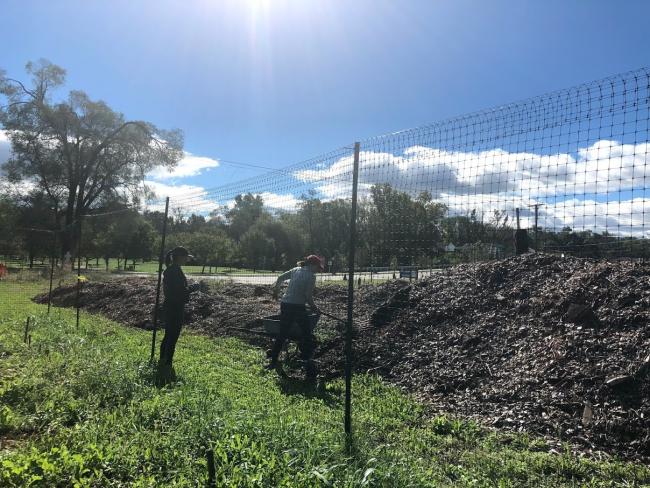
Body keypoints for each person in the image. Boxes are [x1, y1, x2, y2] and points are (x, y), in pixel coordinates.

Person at [268, 254, 324, 380]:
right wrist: (316, 309)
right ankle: (307, 360)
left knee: (282, 334)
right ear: (313, 265)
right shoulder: (311, 276)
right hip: (298, 307)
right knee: (307, 334)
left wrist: (276, 291)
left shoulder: (295, 270)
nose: (318, 270)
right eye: (317, 267)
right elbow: (308, 296)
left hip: (285, 305)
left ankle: (273, 362)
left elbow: (280, 277)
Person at [159, 246, 194, 380]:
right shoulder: (174, 272)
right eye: (185, 257)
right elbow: (181, 292)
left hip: (170, 306)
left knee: (168, 335)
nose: (187, 260)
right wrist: (194, 287)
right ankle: (167, 364)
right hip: (175, 307)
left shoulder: (171, 270)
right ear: (179, 257)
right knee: (172, 337)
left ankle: (163, 360)